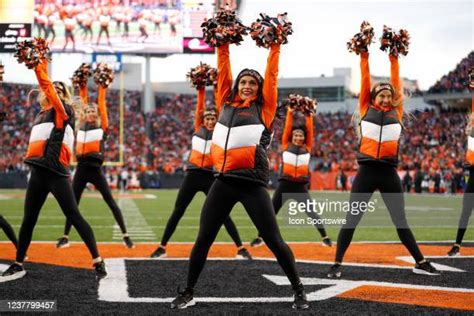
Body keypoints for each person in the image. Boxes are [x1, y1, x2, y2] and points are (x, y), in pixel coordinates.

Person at [170, 41, 309, 310]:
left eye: (252, 83)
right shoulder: (225, 103)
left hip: (252, 185)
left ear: (259, 90)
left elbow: (271, 75)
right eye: (243, 81)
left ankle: (299, 290)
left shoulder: (264, 109)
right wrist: (222, 44)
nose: (247, 85)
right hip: (222, 182)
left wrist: (275, 46)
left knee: (274, 240)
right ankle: (188, 291)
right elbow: (223, 70)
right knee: (203, 239)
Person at [327, 43, 439, 278]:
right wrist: (364, 54)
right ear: (374, 97)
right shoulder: (365, 108)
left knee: (400, 221)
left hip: (389, 173)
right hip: (366, 173)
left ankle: (420, 261)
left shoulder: (396, 113)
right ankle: (337, 263)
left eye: (389, 95)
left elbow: (396, 82)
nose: (386, 98)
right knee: (351, 220)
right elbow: (365, 80)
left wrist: (393, 57)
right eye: (382, 95)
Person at [1, 57, 106, 282]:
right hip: (38, 173)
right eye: (53, 88)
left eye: (60, 89)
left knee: (74, 216)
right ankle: (18, 262)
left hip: (57, 174)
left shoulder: (63, 110)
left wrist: (39, 63)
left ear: (64, 96)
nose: (55, 90)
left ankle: (97, 260)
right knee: (29, 219)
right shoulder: (41, 114)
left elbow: (46, 85)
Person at [151, 84, 252, 260]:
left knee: (223, 214)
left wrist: (218, 90)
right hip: (192, 175)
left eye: (213, 118)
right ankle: (162, 247)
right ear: (203, 119)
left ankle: (241, 248)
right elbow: (199, 108)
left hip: (210, 177)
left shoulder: (220, 132)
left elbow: (222, 110)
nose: (211, 121)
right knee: (178, 211)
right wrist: (201, 89)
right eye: (208, 118)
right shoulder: (198, 127)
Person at [56, 78, 134, 249]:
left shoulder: (102, 127)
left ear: (97, 115)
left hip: (96, 171)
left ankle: (125, 235)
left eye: (93, 111)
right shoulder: (79, 126)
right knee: (72, 204)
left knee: (111, 202)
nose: (90, 112)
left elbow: (101, 104)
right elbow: (82, 105)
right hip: (81, 170)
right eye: (88, 111)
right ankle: (65, 236)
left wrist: (102, 88)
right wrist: (82, 86)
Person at [250, 107, 331, 248]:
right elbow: (287, 128)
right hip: (284, 185)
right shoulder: (285, 145)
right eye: (296, 135)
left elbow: (310, 131)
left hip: (300, 187)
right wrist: (290, 111)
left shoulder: (308, 147)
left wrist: (309, 116)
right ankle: (259, 237)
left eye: (301, 135)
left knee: (312, 213)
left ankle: (325, 237)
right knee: (271, 212)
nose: (299, 137)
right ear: (291, 137)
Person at [448, 109, 474, 256]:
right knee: (465, 212)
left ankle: (457, 245)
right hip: (472, 178)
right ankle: (457, 245)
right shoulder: (472, 135)